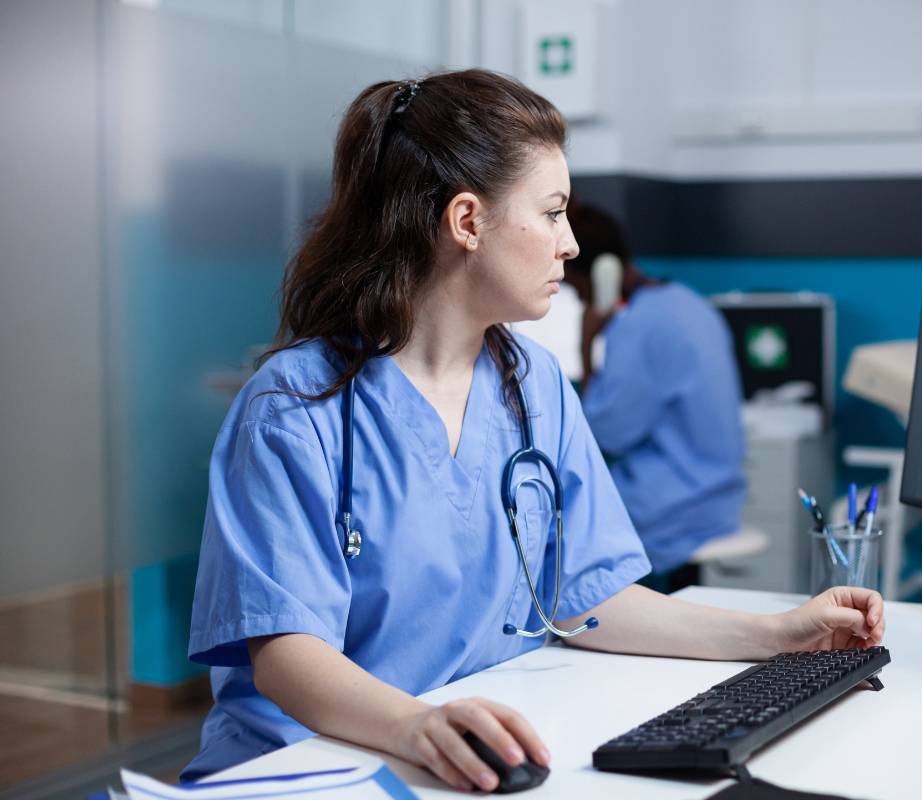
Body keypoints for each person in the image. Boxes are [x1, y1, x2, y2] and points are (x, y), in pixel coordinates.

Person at [183, 69, 885, 793]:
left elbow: (588, 595)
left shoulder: (532, 385)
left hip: (464, 753)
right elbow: (286, 653)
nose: (572, 244)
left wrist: (773, 638)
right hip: (311, 766)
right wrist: (418, 727)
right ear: (466, 221)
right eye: (552, 213)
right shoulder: (296, 405)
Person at [563, 201, 746, 591]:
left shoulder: (640, 327)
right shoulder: (689, 303)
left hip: (672, 512)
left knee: (558, 526)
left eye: (575, 287)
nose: (578, 300)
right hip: (717, 499)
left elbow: (606, 433)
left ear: (600, 274)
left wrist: (586, 345)